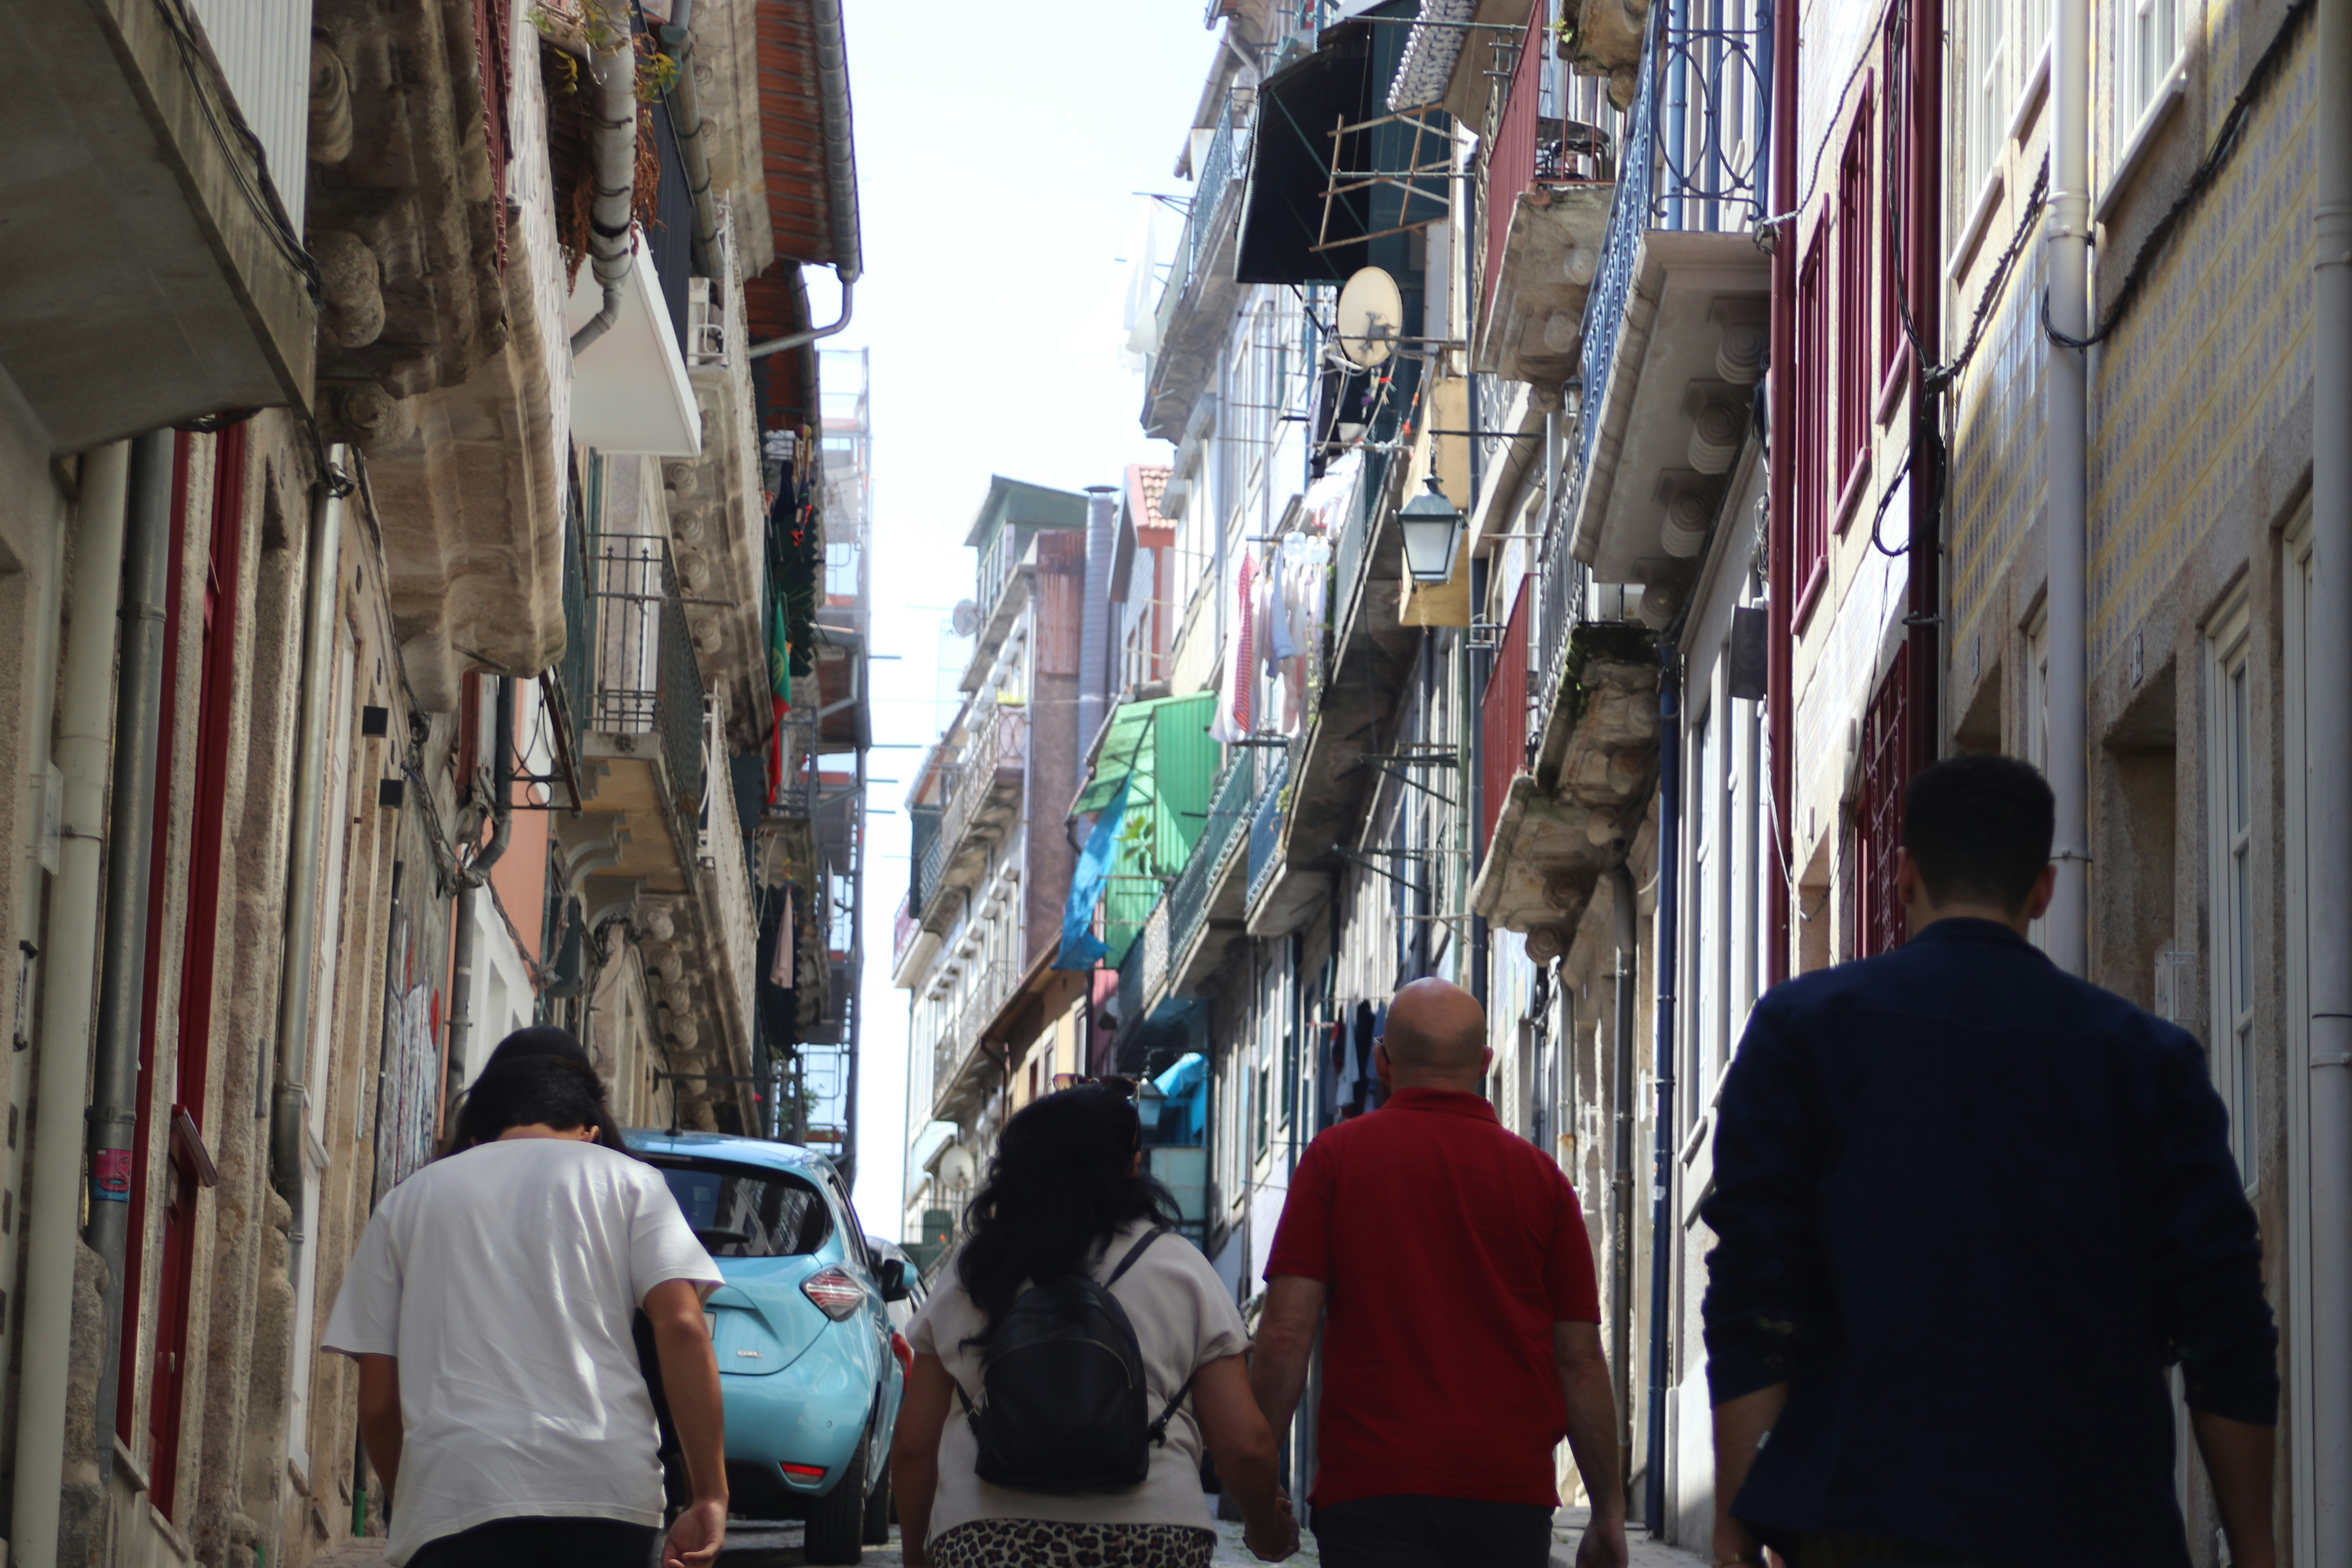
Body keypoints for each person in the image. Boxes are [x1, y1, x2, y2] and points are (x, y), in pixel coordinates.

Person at [1702, 754, 2279, 1568]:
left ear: (1904, 875)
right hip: (2093, 1516)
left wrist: (1736, 1521)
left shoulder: (1802, 1031)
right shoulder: (2149, 1061)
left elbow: (1758, 1294)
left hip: (1865, 1512)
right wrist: (2255, 1547)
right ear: (2042, 888)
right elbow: (2225, 1320)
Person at [1251, 977, 1628, 1568]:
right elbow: (1580, 1360)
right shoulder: (1543, 1182)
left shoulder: (1333, 1160)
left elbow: (1284, 1333)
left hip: (1372, 1488)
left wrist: (1255, 1491)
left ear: (1381, 1063)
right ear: (1484, 1063)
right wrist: (1608, 1512)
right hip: (1506, 1493)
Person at [323, 1051, 730, 1568]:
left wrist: (416, 1504)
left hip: (455, 1491)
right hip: (606, 1491)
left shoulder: (407, 1202)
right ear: (589, 1133)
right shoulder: (631, 1182)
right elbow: (683, 1326)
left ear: (477, 1139)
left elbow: (379, 1400)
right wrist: (709, 1494)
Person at [890, 1082, 1299, 1568]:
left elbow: (914, 1446)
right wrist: (1267, 1529)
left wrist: (916, 1557)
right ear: (1130, 1168)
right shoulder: (1181, 1269)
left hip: (983, 1538)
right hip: (1154, 1539)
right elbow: (1244, 1447)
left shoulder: (972, 1273)